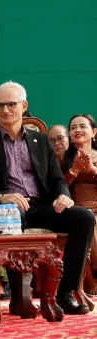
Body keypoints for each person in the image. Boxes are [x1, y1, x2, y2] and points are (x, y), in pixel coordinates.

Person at [0, 81, 95, 315]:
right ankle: (20, 298)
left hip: (40, 206)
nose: (5, 110)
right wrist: (2, 196)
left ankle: (65, 293)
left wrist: (64, 196)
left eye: (11, 105)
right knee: (13, 215)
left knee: (83, 217)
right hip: (4, 210)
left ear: (24, 106)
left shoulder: (40, 140)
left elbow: (57, 179)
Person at [60, 114, 97, 295]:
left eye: (82, 126)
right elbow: (58, 188)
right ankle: (88, 283)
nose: (77, 130)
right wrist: (74, 170)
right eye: (73, 128)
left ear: (94, 132)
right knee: (89, 227)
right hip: (77, 209)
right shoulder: (62, 158)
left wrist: (91, 170)